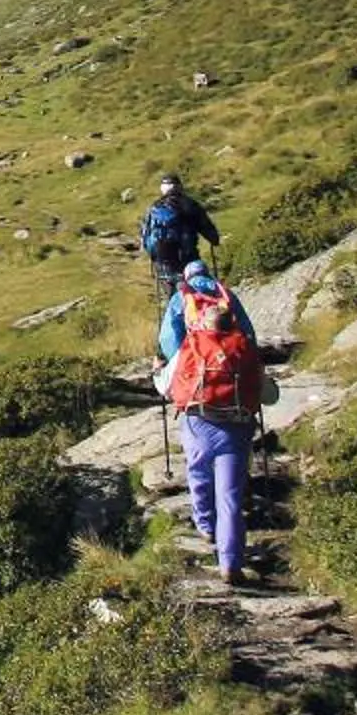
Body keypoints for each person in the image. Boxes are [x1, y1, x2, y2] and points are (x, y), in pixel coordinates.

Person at [158, 256, 264, 583]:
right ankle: (230, 563)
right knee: (230, 497)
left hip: (198, 417)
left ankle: (205, 525)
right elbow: (267, 391)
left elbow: (166, 367)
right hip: (236, 424)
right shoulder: (228, 299)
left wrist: (164, 368)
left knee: (198, 473)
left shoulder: (185, 313)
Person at [139, 172, 222, 303]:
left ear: (163, 189)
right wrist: (214, 239)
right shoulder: (190, 205)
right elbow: (210, 233)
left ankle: (174, 312)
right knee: (197, 292)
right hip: (189, 258)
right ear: (180, 187)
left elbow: (145, 237)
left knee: (172, 298)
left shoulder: (154, 208)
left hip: (163, 261)